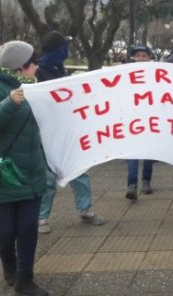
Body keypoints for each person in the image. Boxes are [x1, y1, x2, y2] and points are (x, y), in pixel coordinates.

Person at [0, 41, 49, 295]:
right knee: (6, 232)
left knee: (28, 229)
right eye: (33, 63)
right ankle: (10, 269)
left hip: (32, 173)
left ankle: (25, 279)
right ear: (20, 68)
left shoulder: (37, 88)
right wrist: (9, 103)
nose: (37, 67)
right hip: (4, 176)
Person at [36, 31, 103, 234]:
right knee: (48, 178)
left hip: (67, 131)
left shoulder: (58, 69)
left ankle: (85, 209)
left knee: (78, 170)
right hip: (46, 134)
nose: (68, 50)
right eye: (64, 46)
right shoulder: (38, 71)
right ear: (58, 49)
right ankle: (41, 217)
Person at [125, 46, 156, 201]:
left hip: (150, 120)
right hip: (133, 120)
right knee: (133, 154)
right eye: (138, 56)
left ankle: (146, 181)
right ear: (134, 58)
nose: (141, 58)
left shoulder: (157, 75)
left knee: (149, 153)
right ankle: (132, 185)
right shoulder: (125, 75)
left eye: (144, 56)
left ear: (149, 58)